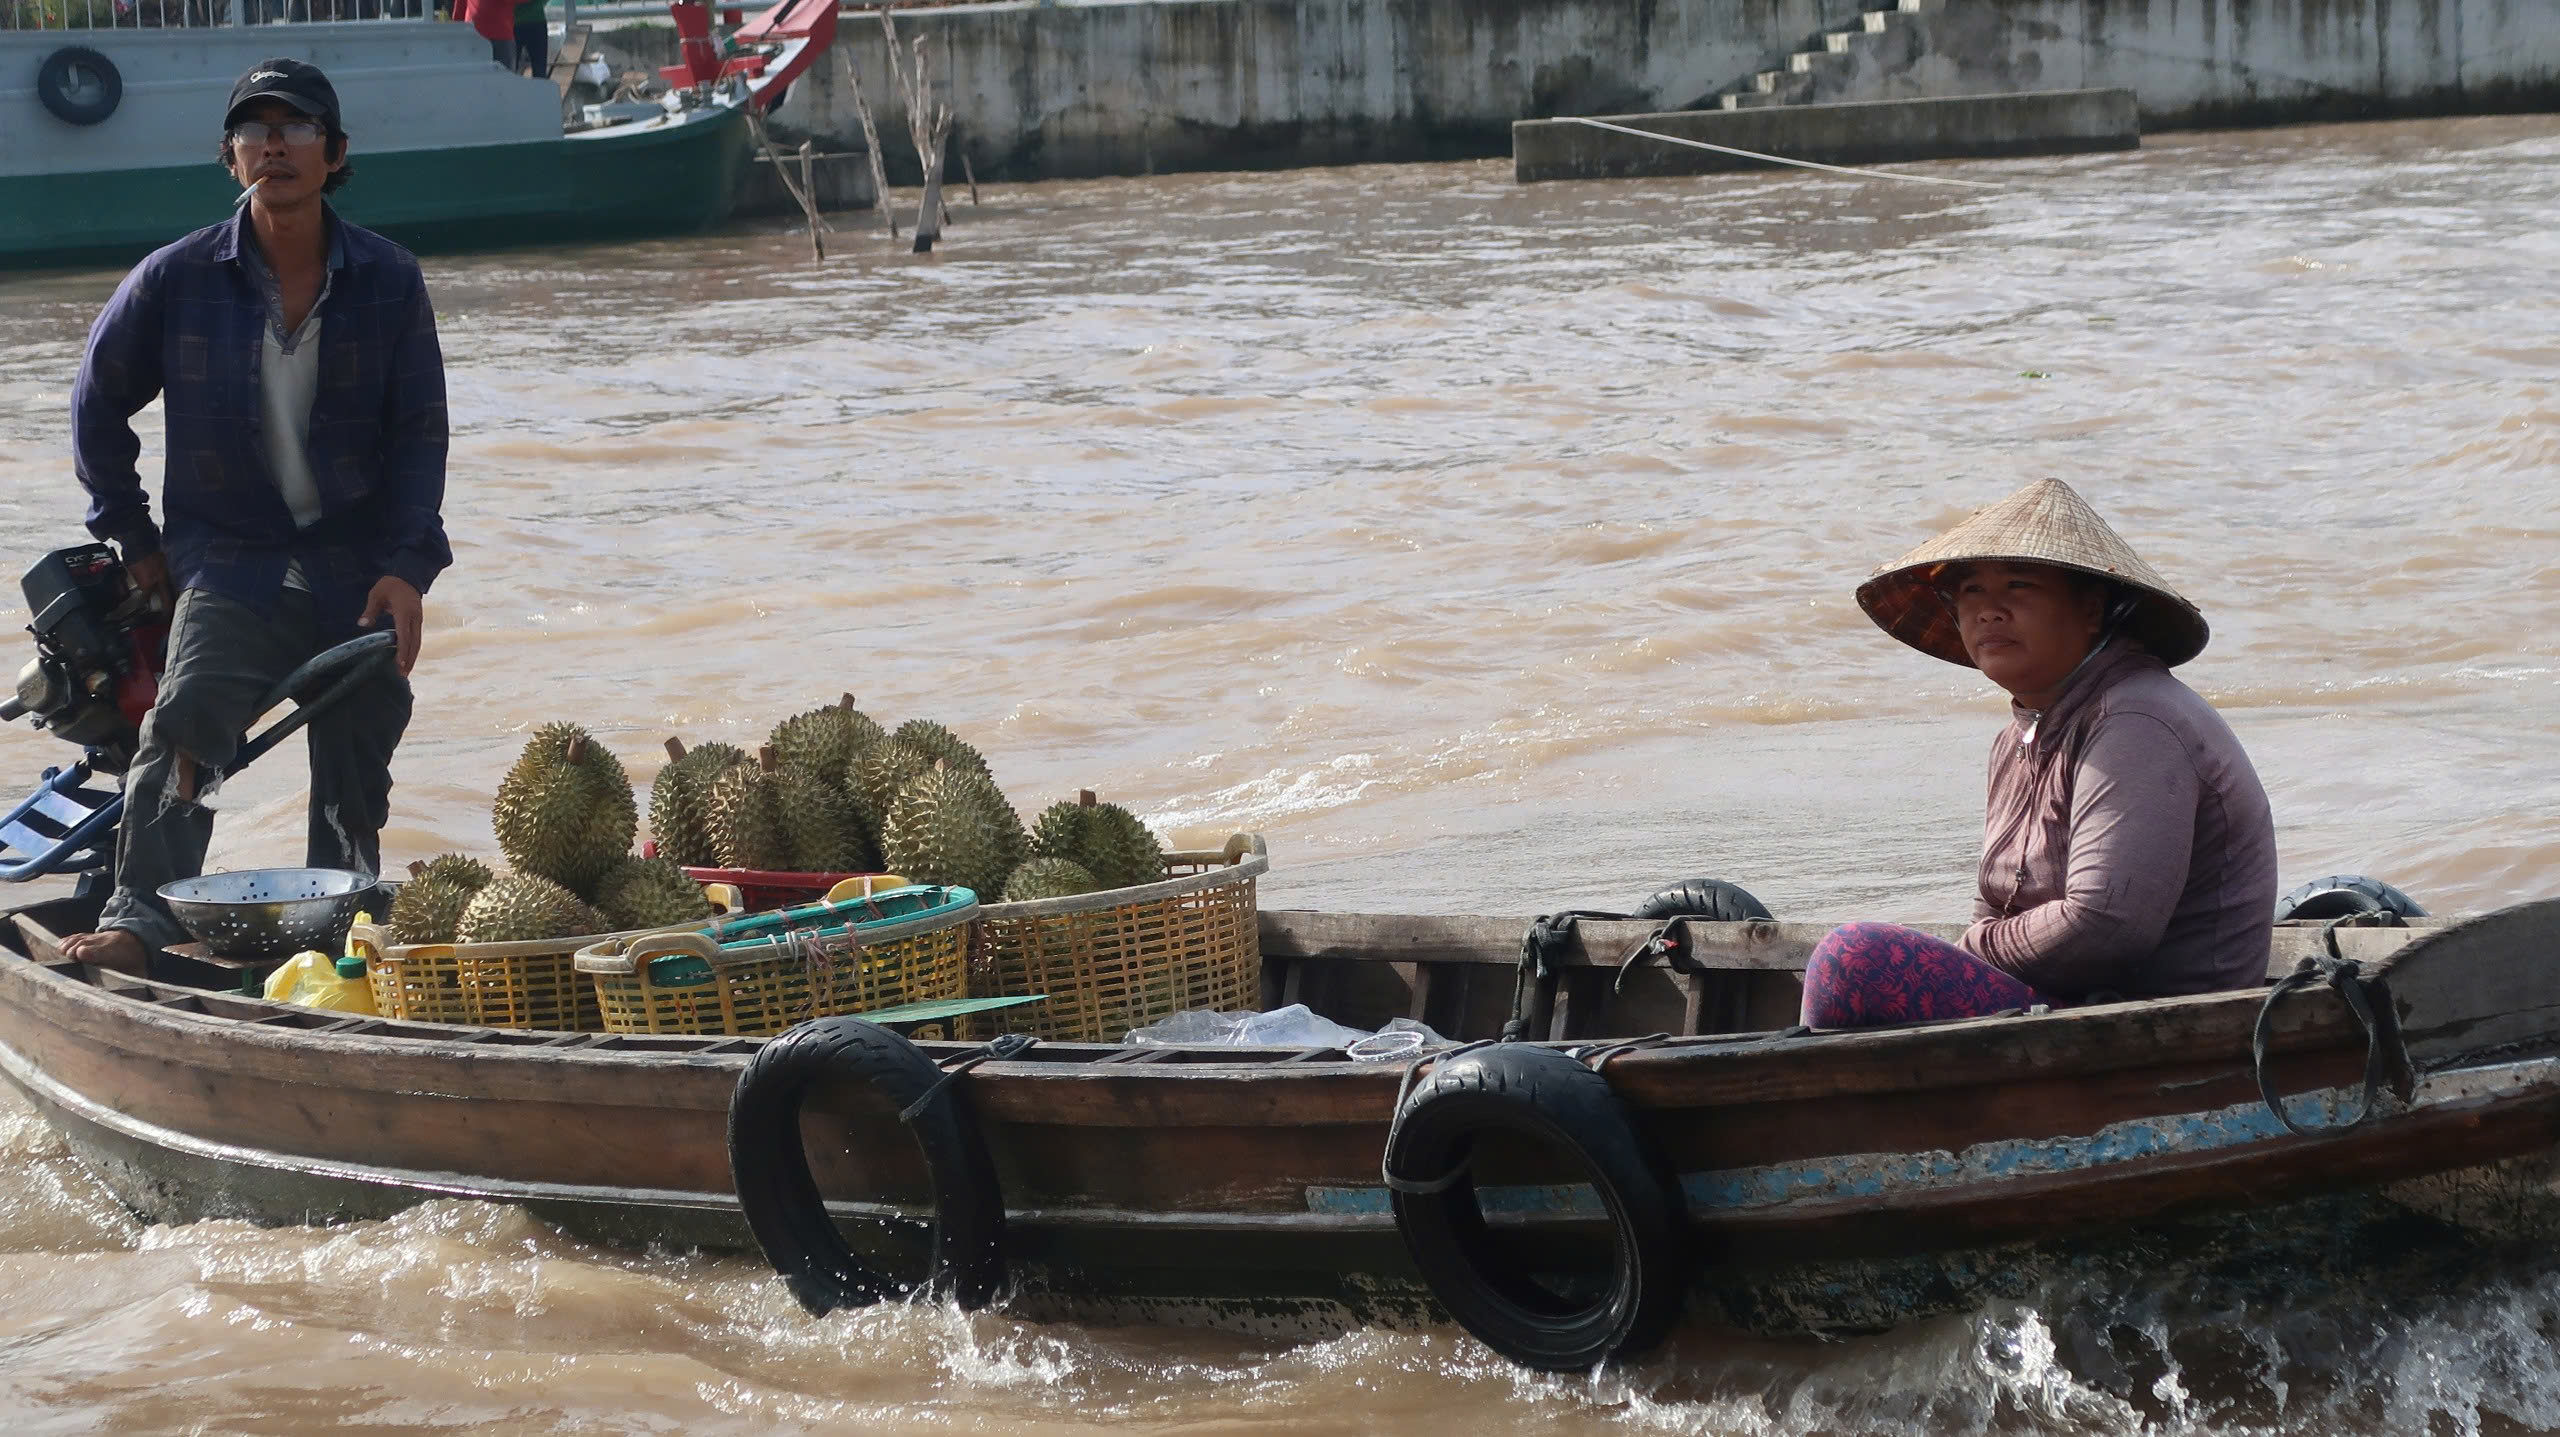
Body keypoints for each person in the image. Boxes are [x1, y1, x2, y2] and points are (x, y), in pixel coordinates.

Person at [60, 58, 451, 976]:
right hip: (231, 562)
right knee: (187, 715)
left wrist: (407, 568)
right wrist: (134, 535)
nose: (275, 144)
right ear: (232, 158)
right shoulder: (177, 278)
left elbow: (420, 437)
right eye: (255, 129)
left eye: (299, 126)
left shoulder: (390, 281)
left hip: (355, 565)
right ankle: (141, 919)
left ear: (335, 153)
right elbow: (94, 402)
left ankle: (340, 923)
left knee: (360, 743)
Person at [1797, 478, 2277, 1028]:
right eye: (1971, 591)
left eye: (2019, 585)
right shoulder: (2016, 738)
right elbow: (1994, 905)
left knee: (1853, 958)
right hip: (2060, 1008)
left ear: (2092, 610)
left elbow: (2104, 925)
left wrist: (1970, 949)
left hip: (2160, 1026)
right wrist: (1976, 945)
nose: (1989, 611)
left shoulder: (2136, 720)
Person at [513, 0, 550, 77]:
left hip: (514, 22)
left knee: (510, 66)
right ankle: (540, 87)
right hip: (536, 20)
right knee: (539, 65)